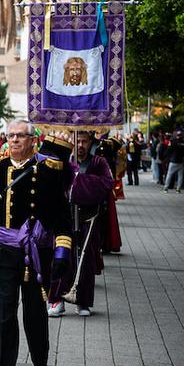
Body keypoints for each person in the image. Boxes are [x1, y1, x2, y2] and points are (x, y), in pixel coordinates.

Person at [0, 119, 71, 366]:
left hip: (38, 254)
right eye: (11, 136)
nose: (15, 140)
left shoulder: (49, 170)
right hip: (3, 252)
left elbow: (61, 216)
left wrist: (62, 250)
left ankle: (40, 360)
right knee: (6, 314)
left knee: (35, 313)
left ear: (33, 140)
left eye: (21, 136)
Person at [47, 132, 114, 318]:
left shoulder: (98, 162)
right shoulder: (63, 161)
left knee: (86, 260)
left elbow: (107, 183)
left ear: (90, 142)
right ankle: (57, 300)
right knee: (61, 258)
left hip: (89, 219)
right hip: (65, 218)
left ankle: (83, 301)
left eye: (85, 141)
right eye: (78, 141)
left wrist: (78, 181)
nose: (81, 145)